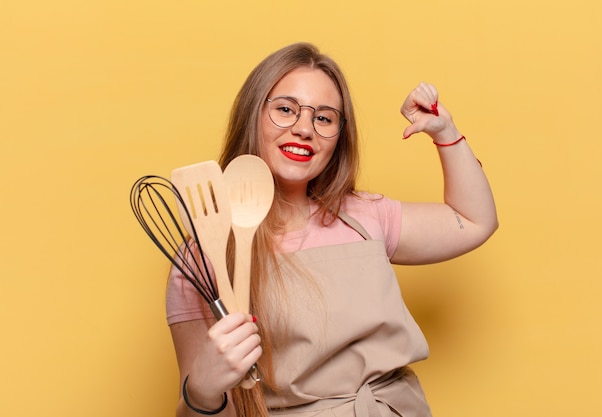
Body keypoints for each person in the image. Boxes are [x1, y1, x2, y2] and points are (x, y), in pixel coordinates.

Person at [166, 42, 498, 417]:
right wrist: (203, 390)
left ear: (339, 136)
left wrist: (445, 132)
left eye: (323, 118)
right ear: (252, 115)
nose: (304, 128)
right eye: (285, 110)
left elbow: (474, 221)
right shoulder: (206, 255)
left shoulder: (365, 216)